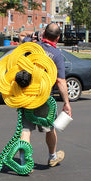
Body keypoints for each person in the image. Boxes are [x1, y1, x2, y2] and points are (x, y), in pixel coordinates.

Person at [20, 23, 72, 167]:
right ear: (58, 38)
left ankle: (24, 163)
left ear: (44, 33)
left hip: (27, 96)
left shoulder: (32, 45)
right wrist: (66, 103)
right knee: (49, 129)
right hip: (44, 98)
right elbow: (60, 81)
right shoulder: (56, 55)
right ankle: (52, 157)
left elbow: (21, 35)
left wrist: (34, 35)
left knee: (25, 130)